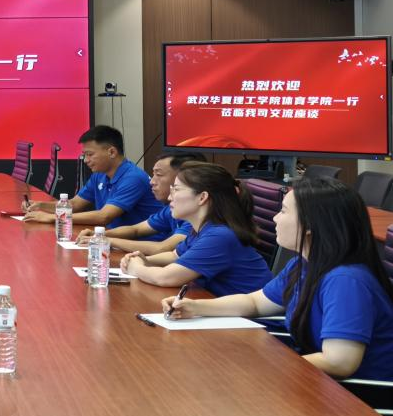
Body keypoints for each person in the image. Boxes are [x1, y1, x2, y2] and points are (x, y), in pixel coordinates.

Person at [163, 177, 393, 379]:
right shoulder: (302, 265)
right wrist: (194, 307)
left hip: (359, 398)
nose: (274, 218)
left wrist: (266, 367)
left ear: (310, 225)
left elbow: (339, 362)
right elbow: (255, 302)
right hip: (315, 382)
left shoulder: (346, 281)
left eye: (283, 211)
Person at [121, 162, 272, 296]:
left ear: (202, 197)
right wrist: (145, 260)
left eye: (176, 190)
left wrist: (136, 268)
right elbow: (175, 256)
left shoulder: (220, 236)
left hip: (251, 318)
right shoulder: (203, 229)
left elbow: (165, 278)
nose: (170, 197)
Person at [23, 125, 160, 229]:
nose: (86, 160)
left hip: (141, 246)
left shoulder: (133, 178)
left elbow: (104, 216)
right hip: (114, 239)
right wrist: (40, 205)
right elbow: (74, 204)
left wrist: (54, 217)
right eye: (84, 155)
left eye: (90, 154)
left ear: (112, 152)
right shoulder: (99, 175)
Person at [75, 152, 205, 253]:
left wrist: (107, 240)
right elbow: (135, 229)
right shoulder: (170, 210)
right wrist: (99, 235)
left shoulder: (198, 218)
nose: (152, 182)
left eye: (159, 175)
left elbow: (163, 248)